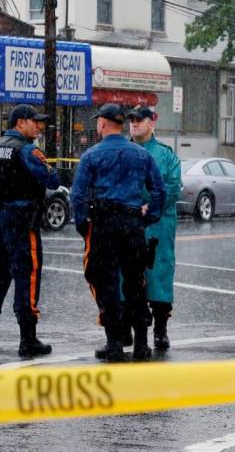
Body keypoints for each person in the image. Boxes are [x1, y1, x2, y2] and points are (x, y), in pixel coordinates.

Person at [71, 103, 166, 362]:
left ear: (102, 123)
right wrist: (149, 217)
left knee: (107, 284)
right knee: (136, 283)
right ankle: (141, 345)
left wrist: (84, 226)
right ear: (121, 124)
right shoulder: (140, 154)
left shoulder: (92, 155)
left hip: (104, 224)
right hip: (132, 223)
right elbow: (159, 189)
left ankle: (114, 343)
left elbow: (78, 195)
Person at [0, 104, 60, 357]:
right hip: (21, 221)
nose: (39, 126)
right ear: (20, 123)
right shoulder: (27, 149)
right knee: (27, 276)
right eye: (35, 122)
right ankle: (28, 338)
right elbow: (52, 180)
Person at [127, 106, 182, 350]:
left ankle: (160, 329)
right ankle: (127, 328)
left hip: (159, 224)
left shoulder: (166, 155)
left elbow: (172, 187)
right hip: (129, 222)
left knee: (159, 275)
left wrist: (150, 207)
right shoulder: (123, 150)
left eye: (139, 120)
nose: (134, 124)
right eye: (131, 120)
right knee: (126, 276)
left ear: (152, 123)